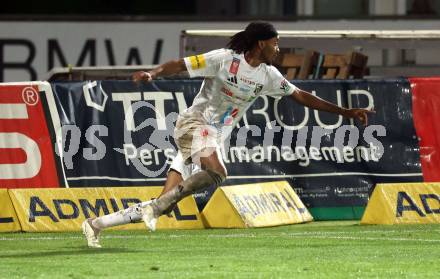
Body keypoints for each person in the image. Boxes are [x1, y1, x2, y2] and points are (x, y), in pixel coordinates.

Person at [82, 21, 373, 248]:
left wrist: (345, 113)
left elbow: (301, 95)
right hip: (194, 123)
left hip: (212, 136)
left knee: (164, 203)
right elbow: (181, 65)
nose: (278, 48)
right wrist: (153, 73)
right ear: (261, 43)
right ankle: (155, 207)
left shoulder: (268, 75)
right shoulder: (223, 59)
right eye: (275, 43)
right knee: (218, 171)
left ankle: (97, 224)